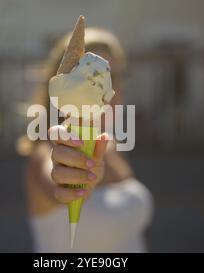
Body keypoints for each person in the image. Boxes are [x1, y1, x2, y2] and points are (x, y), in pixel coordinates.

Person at [17, 28, 154, 252]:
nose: (111, 88)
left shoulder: (111, 145)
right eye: (92, 76)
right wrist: (74, 179)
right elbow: (57, 182)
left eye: (116, 76)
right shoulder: (45, 153)